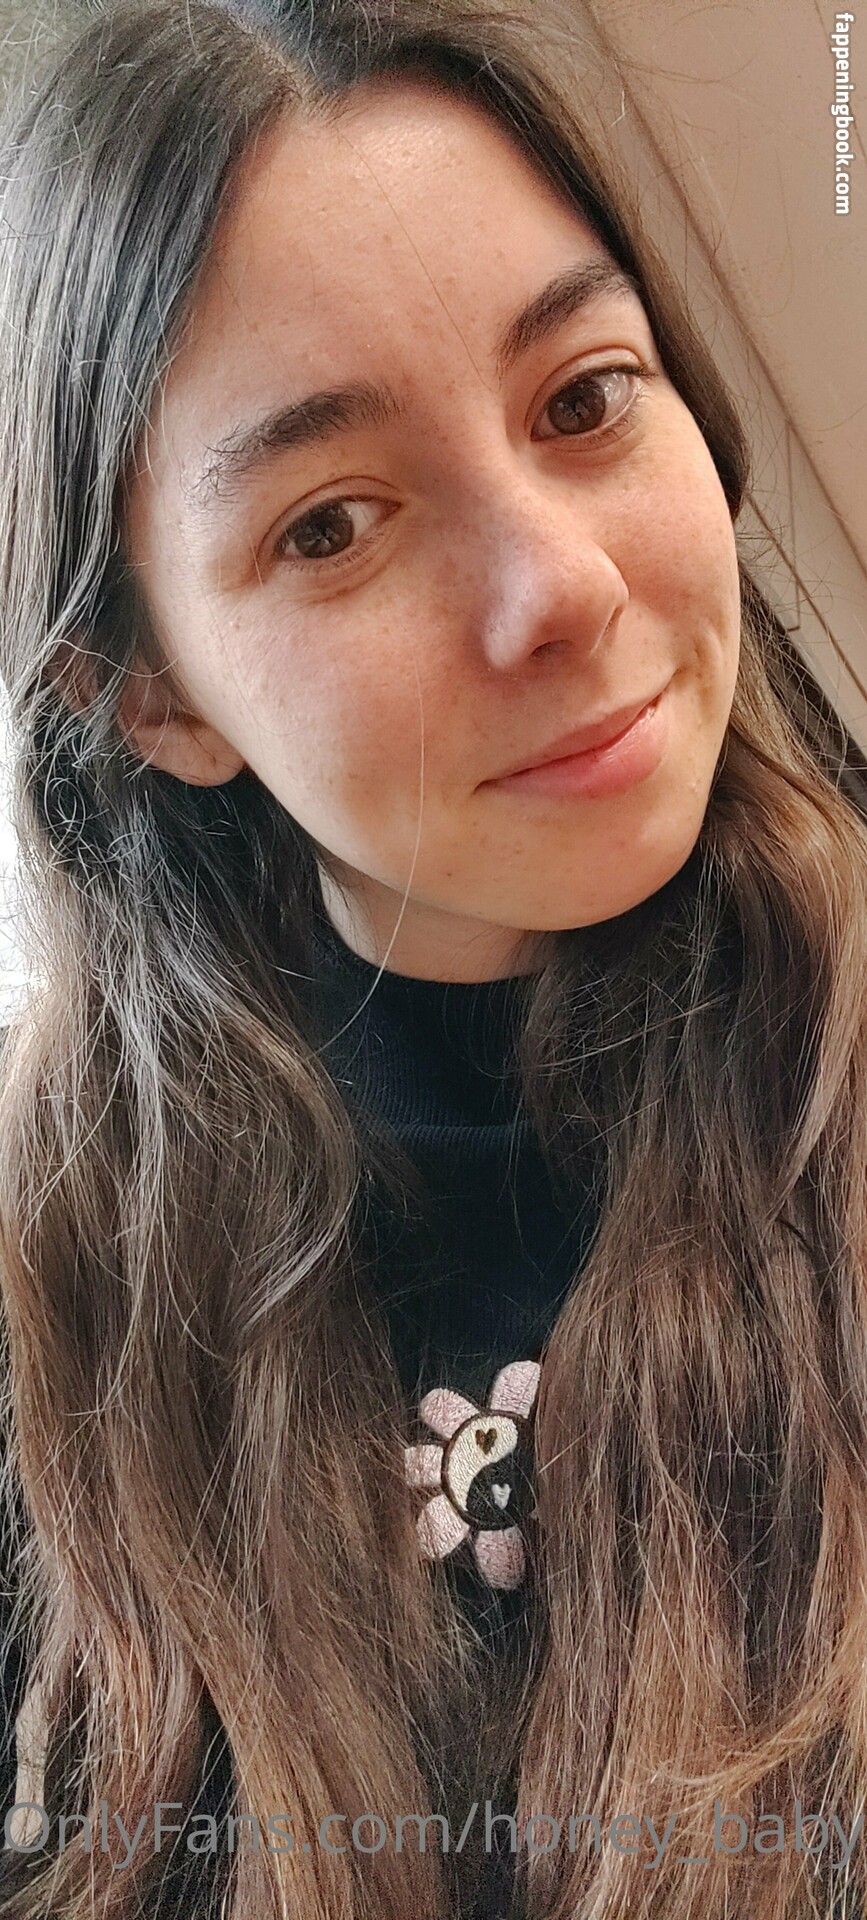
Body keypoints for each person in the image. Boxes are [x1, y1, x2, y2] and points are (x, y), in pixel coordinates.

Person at [0, 0, 865, 1915]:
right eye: (332, 524)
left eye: (585, 398)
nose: (564, 584)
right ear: (152, 696)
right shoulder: (59, 1316)